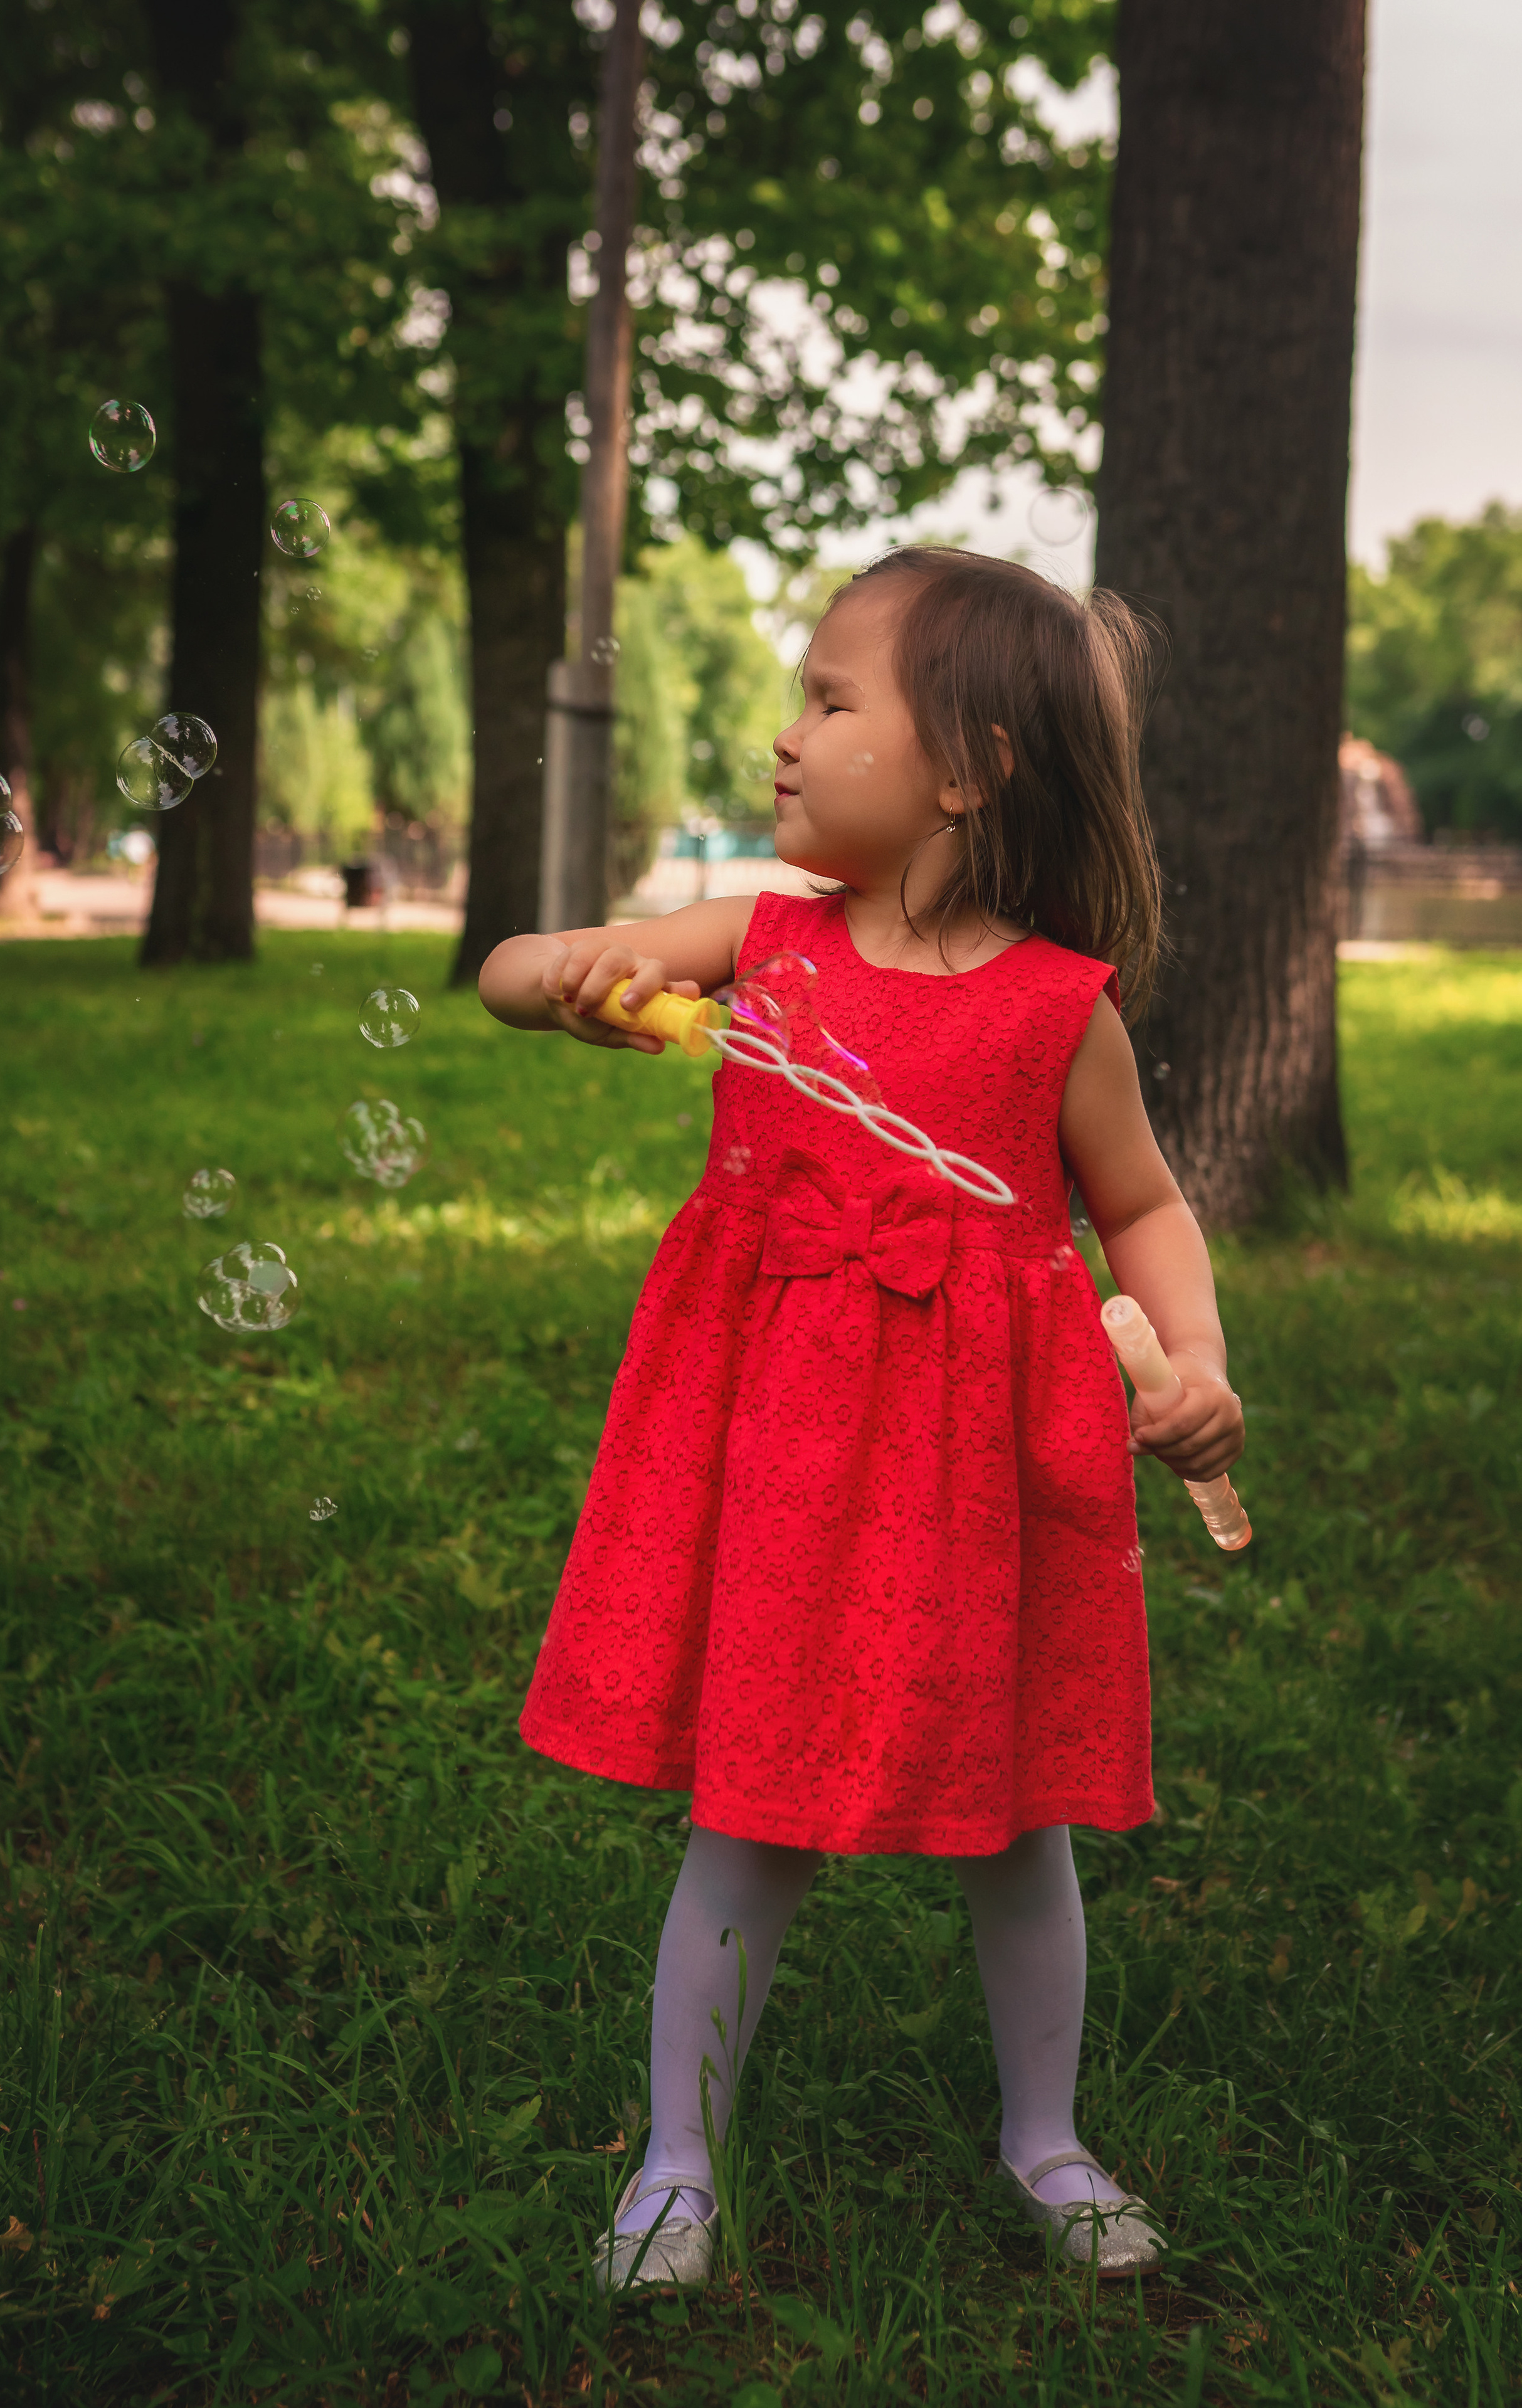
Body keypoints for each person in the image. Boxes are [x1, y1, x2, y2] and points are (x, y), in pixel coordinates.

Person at [478, 547, 1245, 2289]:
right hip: (786, 1457)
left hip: (979, 1476)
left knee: (1019, 1819)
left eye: (833, 701)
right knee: (750, 1810)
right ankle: (678, 2161)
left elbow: (1140, 1210)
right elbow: (522, 962)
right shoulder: (765, 942)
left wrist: (1193, 1362)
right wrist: (572, 986)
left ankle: (1044, 2137)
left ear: (966, 763)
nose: (788, 733)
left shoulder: (1059, 1008)